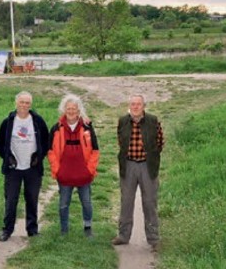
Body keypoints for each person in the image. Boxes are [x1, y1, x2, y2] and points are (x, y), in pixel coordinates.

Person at [112, 94, 165, 251]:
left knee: (150, 202)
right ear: (129, 106)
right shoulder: (123, 121)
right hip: (128, 165)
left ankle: (154, 239)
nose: (135, 107)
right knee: (126, 201)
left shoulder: (153, 121)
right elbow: (121, 142)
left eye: (138, 104)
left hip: (147, 166)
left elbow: (160, 142)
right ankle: (123, 235)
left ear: (144, 106)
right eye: (133, 104)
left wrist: (151, 157)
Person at [0, 91, 50, 241]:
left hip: (32, 168)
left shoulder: (38, 121)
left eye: (27, 103)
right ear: (16, 103)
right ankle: (7, 230)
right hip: (13, 169)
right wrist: (8, 158)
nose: (24, 105)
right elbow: (0, 143)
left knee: (32, 199)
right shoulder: (8, 122)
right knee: (11, 200)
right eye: (22, 102)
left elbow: (46, 142)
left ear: (30, 104)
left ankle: (32, 230)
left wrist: (38, 157)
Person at [48, 94, 100, 237]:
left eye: (74, 108)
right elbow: (50, 151)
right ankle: (64, 230)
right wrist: (56, 170)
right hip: (64, 175)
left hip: (84, 174)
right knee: (63, 204)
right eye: (68, 108)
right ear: (64, 110)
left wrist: (90, 170)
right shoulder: (56, 128)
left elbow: (95, 150)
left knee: (87, 203)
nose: (71, 111)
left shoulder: (87, 127)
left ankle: (88, 227)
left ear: (79, 111)